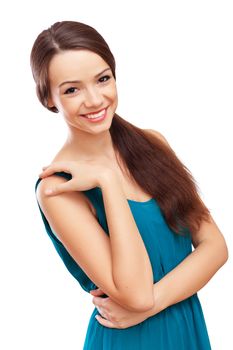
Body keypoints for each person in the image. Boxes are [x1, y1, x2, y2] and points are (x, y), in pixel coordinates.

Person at [31, 20, 228, 349]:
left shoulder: (153, 144)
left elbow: (216, 248)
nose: (95, 99)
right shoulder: (57, 190)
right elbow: (135, 293)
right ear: (49, 99)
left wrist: (150, 305)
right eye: (71, 89)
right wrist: (107, 182)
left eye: (102, 79)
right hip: (128, 339)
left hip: (185, 328)